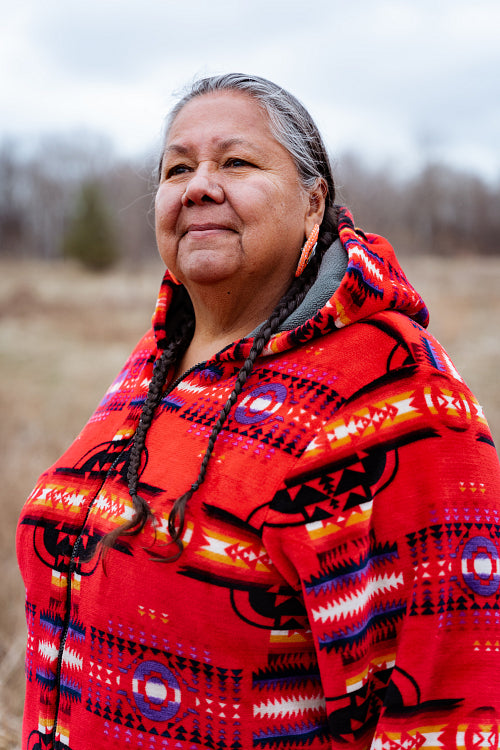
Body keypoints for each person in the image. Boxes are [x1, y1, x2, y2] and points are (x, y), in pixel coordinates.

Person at [17, 73, 500, 750]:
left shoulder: (399, 390)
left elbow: (453, 701)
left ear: (314, 202)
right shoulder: (157, 363)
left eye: (236, 161)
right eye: (177, 167)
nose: (199, 185)